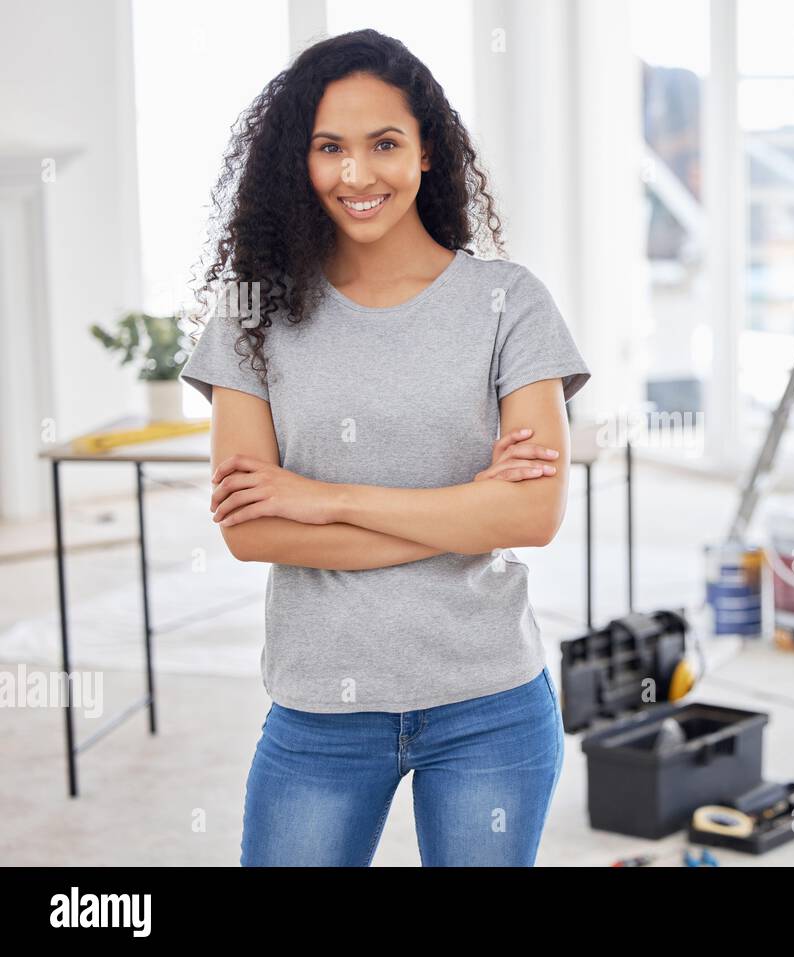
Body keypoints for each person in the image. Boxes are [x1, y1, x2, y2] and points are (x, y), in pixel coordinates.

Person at [178, 29, 591, 866]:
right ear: (300, 159)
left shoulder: (510, 304)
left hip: (490, 702)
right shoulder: (252, 314)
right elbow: (253, 529)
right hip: (320, 709)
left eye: (384, 144)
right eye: (330, 147)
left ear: (428, 152)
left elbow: (533, 511)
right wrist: (467, 509)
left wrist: (321, 495)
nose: (356, 175)